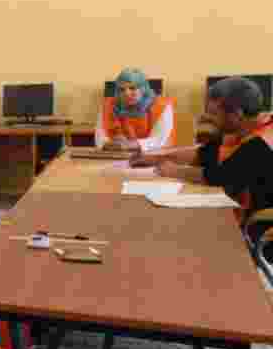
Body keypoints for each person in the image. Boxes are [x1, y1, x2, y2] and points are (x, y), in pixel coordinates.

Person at [132, 76, 273, 236]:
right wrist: (156, 159)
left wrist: (173, 170)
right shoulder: (243, 129)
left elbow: (220, 176)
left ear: (237, 114)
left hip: (259, 233)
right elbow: (204, 154)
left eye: (214, 113)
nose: (208, 118)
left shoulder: (263, 142)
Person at [95, 68, 175, 152]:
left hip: (153, 158)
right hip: (116, 156)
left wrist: (130, 145)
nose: (127, 93)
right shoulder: (108, 105)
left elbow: (159, 140)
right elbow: (100, 138)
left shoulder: (162, 105)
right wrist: (110, 143)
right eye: (122, 89)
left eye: (133, 88)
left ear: (143, 89)